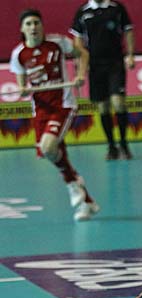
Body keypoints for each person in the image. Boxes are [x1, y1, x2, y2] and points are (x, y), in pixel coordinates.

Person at [10, 9, 100, 221]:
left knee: (48, 146)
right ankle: (86, 201)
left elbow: (83, 53)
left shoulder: (57, 43)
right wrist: (23, 90)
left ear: (42, 25)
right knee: (54, 153)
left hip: (62, 105)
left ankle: (73, 185)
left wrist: (80, 75)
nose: (33, 27)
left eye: (36, 23)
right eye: (29, 24)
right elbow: (22, 86)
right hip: (40, 109)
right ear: (22, 29)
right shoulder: (18, 54)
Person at [70, 0, 135, 160]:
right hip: (94, 66)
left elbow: (128, 31)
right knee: (103, 107)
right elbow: (77, 41)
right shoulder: (83, 12)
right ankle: (111, 146)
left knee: (118, 102)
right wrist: (81, 65)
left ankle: (124, 144)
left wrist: (130, 54)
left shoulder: (116, 8)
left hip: (115, 63)